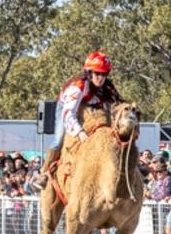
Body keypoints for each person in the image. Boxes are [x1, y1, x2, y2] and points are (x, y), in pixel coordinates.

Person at [42, 51, 123, 179]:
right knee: (59, 139)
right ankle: (45, 172)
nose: (101, 78)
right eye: (97, 73)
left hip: (90, 108)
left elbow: (117, 105)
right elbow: (69, 113)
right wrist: (79, 132)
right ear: (89, 73)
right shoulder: (78, 86)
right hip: (67, 108)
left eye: (104, 74)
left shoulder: (107, 87)